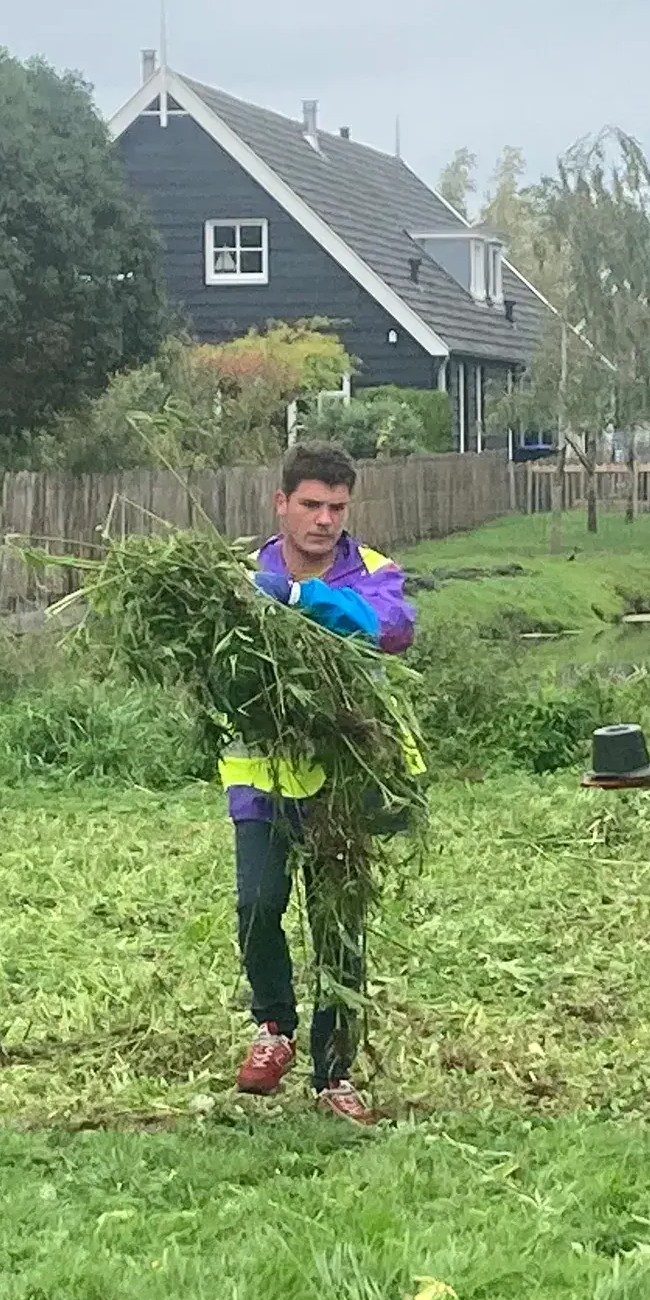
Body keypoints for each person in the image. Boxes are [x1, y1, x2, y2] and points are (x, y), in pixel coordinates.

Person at [224, 441, 418, 1125]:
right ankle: (273, 1028)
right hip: (263, 779)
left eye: (337, 506)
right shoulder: (238, 577)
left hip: (344, 782)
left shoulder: (373, 573)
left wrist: (303, 598)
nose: (324, 519)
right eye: (310, 504)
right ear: (281, 503)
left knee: (339, 930)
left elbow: (386, 630)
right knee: (257, 904)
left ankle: (334, 1077)